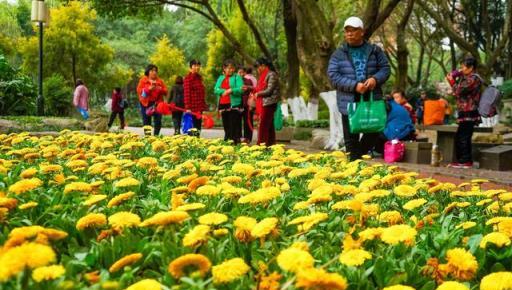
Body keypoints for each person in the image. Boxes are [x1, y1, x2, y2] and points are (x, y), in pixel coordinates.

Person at [327, 16, 391, 161]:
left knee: (374, 130)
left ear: (362, 32)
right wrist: (354, 86)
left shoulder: (375, 50)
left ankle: (356, 159)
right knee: (351, 139)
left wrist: (375, 79)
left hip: (371, 99)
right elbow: (333, 76)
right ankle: (354, 165)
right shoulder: (338, 54)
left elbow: (385, 69)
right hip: (348, 101)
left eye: (353, 30)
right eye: (347, 31)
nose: (349, 33)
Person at [446, 56, 482, 168]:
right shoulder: (466, 77)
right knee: (461, 136)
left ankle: (465, 161)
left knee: (463, 136)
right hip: (464, 111)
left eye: (463, 67)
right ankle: (464, 160)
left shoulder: (473, 78)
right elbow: (458, 92)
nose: (461, 69)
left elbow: (459, 90)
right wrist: (456, 74)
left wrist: (452, 81)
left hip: (469, 112)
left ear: (471, 68)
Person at [214, 59, 244, 144]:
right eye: (228, 68)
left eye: (232, 68)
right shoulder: (221, 78)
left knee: (233, 126)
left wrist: (231, 90)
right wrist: (224, 91)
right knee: (226, 126)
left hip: (234, 105)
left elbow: (241, 89)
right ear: (224, 68)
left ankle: (234, 143)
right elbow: (216, 89)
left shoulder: (237, 77)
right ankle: (227, 143)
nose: (230, 70)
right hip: (223, 105)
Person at [254, 57, 280, 146]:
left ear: (263, 66)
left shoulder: (271, 74)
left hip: (270, 102)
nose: (257, 70)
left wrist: (258, 94)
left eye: (258, 67)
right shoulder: (266, 75)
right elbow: (261, 88)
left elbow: (269, 90)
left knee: (263, 125)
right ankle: (271, 144)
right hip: (267, 102)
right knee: (269, 126)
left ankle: (260, 145)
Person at [136, 64, 168, 135]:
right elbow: (139, 91)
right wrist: (148, 89)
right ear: (148, 71)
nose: (154, 72)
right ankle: (148, 138)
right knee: (146, 122)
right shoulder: (143, 80)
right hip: (146, 103)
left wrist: (161, 89)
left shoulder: (160, 81)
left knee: (158, 121)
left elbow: (166, 91)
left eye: (155, 71)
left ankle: (156, 136)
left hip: (157, 104)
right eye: (152, 70)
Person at [184, 59, 208, 134]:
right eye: (195, 65)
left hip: (199, 107)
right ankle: (191, 143)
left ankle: (197, 142)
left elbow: (201, 93)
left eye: (198, 65)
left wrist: (203, 105)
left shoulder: (199, 78)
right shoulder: (188, 78)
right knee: (192, 128)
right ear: (191, 67)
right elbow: (187, 93)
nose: (197, 67)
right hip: (192, 107)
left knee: (198, 127)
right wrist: (187, 107)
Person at [238, 66, 256, 143]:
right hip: (237, 104)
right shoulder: (234, 81)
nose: (241, 74)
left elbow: (254, 90)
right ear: (237, 73)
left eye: (243, 72)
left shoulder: (248, 81)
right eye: (239, 72)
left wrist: (248, 88)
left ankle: (248, 138)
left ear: (245, 73)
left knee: (248, 121)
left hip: (247, 105)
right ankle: (237, 137)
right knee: (237, 121)